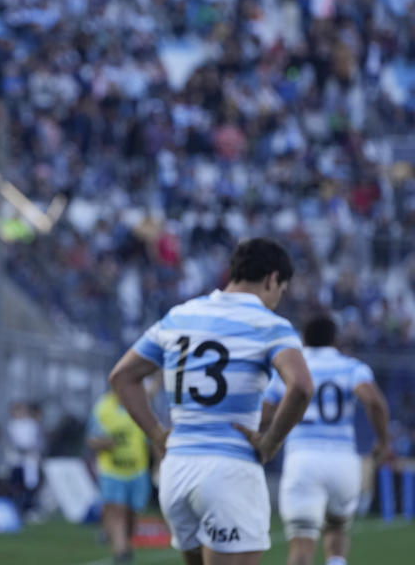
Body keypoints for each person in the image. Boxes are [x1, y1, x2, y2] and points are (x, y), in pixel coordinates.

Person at [108, 237, 314, 565]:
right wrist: (271, 442)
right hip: (229, 470)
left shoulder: (179, 316)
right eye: (282, 290)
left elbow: (121, 377)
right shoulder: (270, 325)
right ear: (272, 279)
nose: (278, 299)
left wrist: (157, 434)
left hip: (176, 471)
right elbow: (301, 386)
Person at [262, 314, 390, 565]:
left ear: (303, 339)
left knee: (301, 544)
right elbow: (374, 401)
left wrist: (267, 436)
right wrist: (383, 441)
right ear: (336, 339)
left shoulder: (290, 370)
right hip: (343, 461)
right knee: (337, 529)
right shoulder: (351, 367)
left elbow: (265, 412)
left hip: (303, 458)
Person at [86, 386, 150, 564]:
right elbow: (91, 439)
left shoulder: (141, 406)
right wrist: (102, 443)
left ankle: (124, 543)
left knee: (131, 513)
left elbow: (150, 437)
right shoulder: (102, 408)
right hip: (111, 471)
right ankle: (120, 552)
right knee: (116, 510)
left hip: (137, 470)